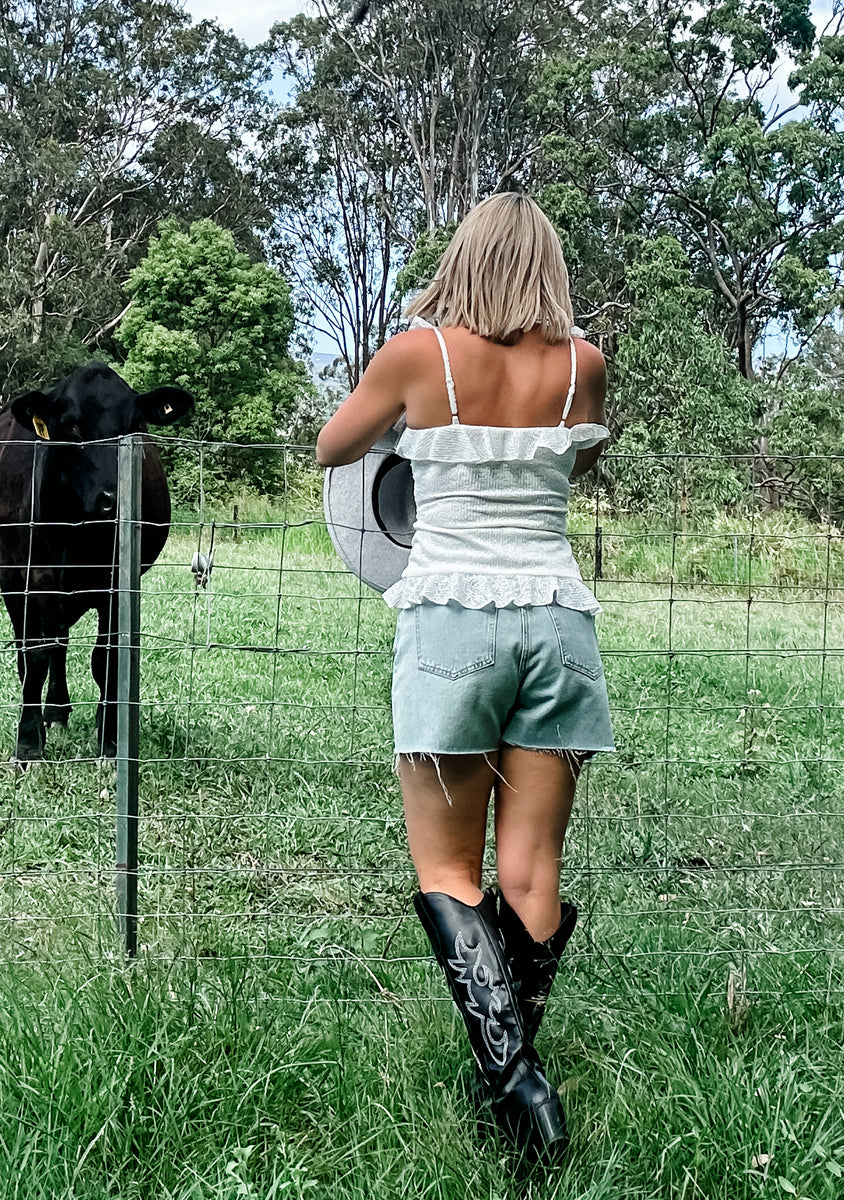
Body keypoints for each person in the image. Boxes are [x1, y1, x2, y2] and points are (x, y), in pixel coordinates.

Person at [316, 192, 613, 1164]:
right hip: (558, 622)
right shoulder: (584, 367)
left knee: (448, 871)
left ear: (466, 257)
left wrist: (412, 428)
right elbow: (566, 464)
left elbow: (334, 446)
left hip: (450, 620)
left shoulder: (419, 354)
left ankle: (518, 1082)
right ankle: (514, 1106)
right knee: (531, 870)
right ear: (549, 266)